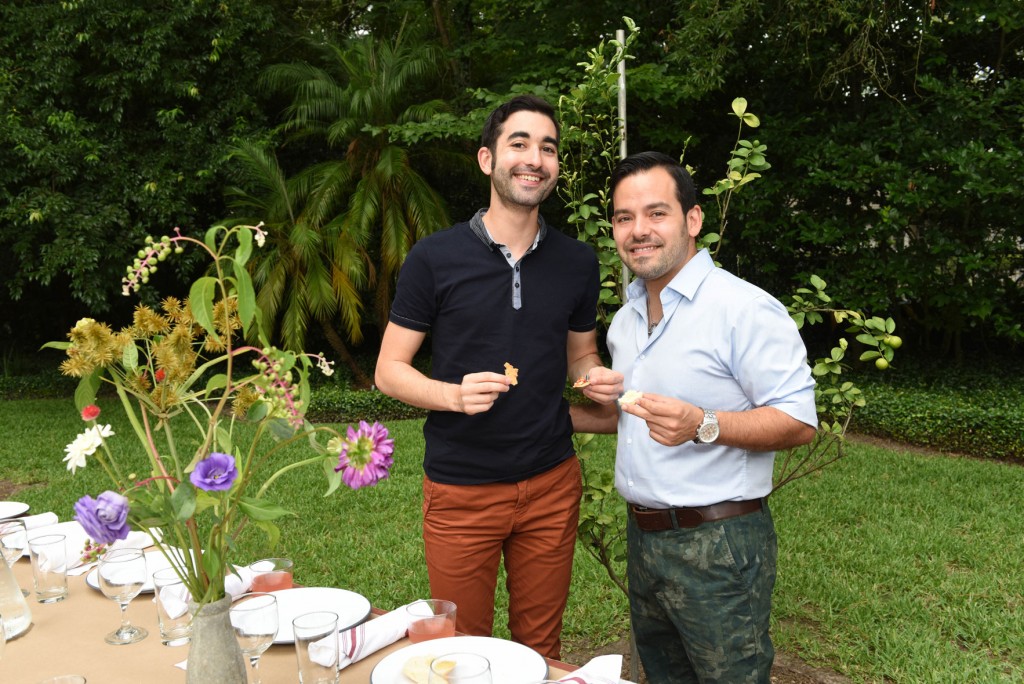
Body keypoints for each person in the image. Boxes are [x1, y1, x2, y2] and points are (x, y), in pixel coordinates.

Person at [374, 94, 622, 659]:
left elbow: (580, 356)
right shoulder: (434, 258)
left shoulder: (577, 261)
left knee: (540, 649)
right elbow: (390, 369)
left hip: (552, 485)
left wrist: (594, 377)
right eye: (520, 144)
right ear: (488, 159)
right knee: (466, 652)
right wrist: (453, 396)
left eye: (548, 148)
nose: (535, 157)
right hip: (462, 490)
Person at [572, 151, 818, 683]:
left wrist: (704, 423)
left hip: (720, 543)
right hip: (644, 538)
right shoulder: (627, 319)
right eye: (623, 217)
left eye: (656, 213)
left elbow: (799, 421)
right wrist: (553, 415)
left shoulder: (742, 308)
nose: (639, 230)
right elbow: (635, 420)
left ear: (693, 219)